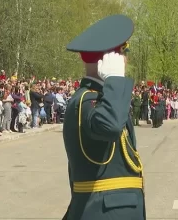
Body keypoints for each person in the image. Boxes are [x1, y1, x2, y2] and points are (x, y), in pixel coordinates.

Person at [62, 15, 145, 220]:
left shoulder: (103, 99)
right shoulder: (87, 100)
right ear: (111, 59)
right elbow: (110, 126)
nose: (126, 59)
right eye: (123, 52)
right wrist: (115, 81)